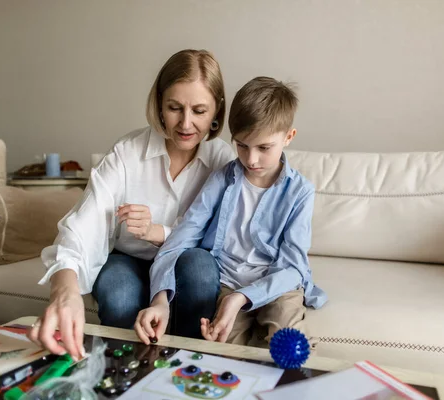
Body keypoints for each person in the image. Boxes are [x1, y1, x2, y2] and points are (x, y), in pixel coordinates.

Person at [27, 49, 236, 361]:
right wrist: (65, 289)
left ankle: (189, 368)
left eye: (200, 111)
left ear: (217, 109)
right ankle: (126, 373)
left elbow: (224, 234)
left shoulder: (223, 161)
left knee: (202, 270)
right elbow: (85, 224)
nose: (186, 123)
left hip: (188, 262)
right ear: (160, 104)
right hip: (127, 259)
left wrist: (160, 232)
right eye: (175, 108)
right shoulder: (127, 153)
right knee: (119, 294)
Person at [134, 76, 327, 346]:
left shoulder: (300, 192)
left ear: (288, 137)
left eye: (264, 148)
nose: (251, 159)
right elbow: (182, 236)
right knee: (225, 349)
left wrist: (240, 299)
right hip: (229, 282)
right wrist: (161, 298)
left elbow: (293, 267)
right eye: (242, 146)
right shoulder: (222, 179)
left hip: (277, 285)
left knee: (288, 341)